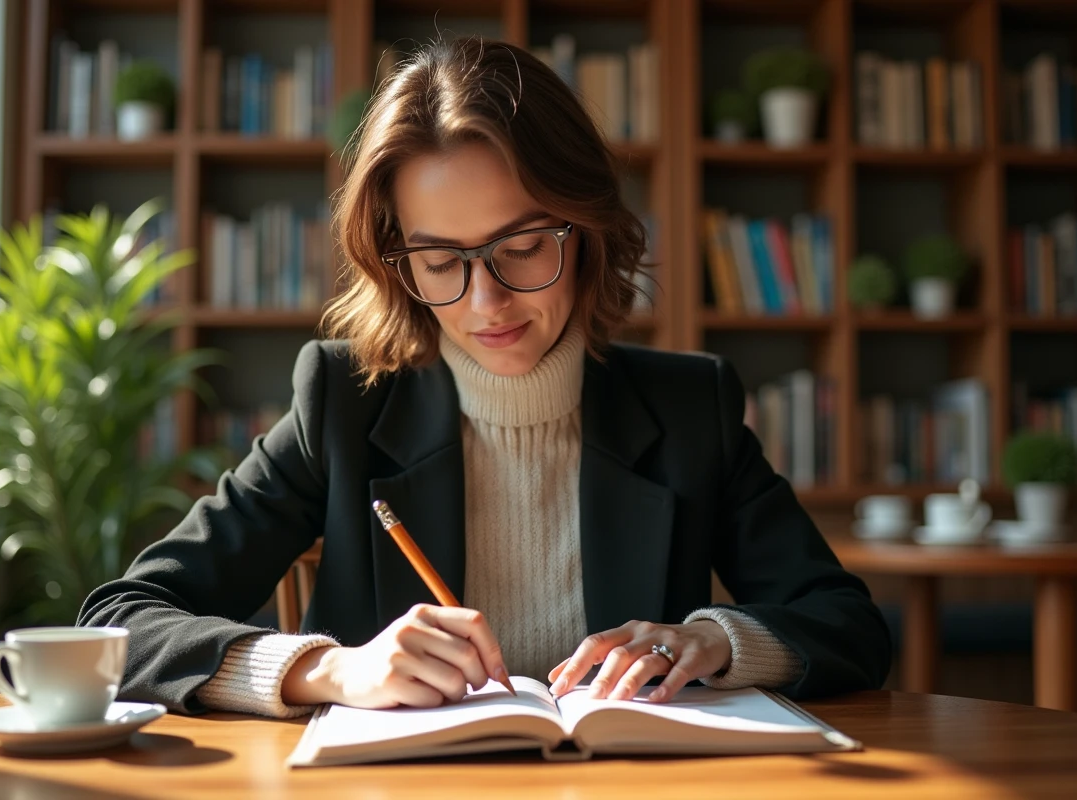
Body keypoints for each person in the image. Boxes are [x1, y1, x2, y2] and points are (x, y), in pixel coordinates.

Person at [78, 36, 890, 718]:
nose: (486, 299)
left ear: (587, 232)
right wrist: (330, 670)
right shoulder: (343, 404)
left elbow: (849, 626)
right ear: (400, 266)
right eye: (440, 261)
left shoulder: (689, 409)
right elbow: (120, 623)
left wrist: (713, 641)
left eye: (523, 246)